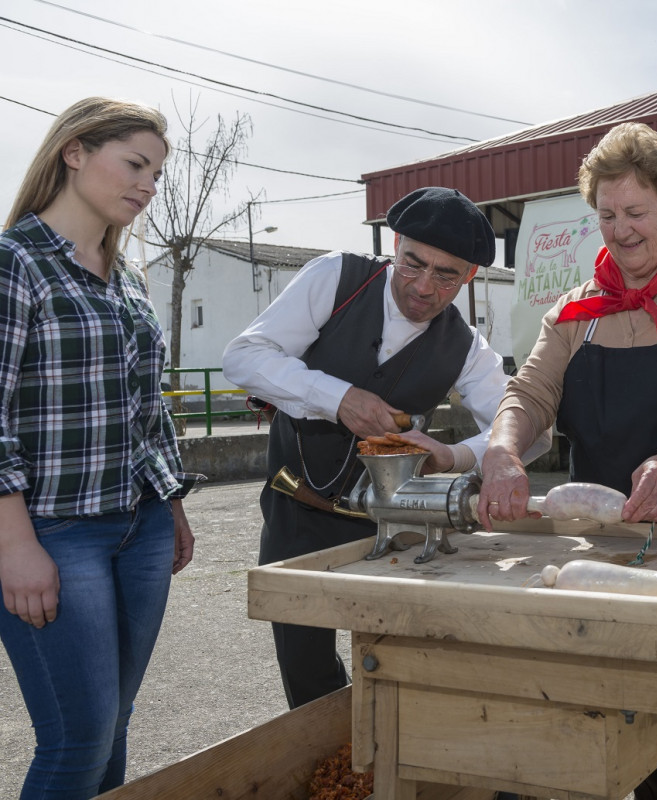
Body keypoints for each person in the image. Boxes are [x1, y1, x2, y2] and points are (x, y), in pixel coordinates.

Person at [477, 122, 657, 800]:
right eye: (606, 215)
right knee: (623, 719)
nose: (621, 230)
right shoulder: (574, 312)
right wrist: (501, 448)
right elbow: (529, 392)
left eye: (635, 212)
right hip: (605, 552)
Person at [222, 186, 548, 710]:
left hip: (393, 524)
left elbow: (529, 429)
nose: (423, 287)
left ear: (469, 277)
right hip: (296, 510)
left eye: (446, 275)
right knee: (305, 673)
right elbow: (243, 357)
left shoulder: (466, 346)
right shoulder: (336, 278)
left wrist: (454, 456)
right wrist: (338, 398)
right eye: (413, 263)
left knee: (394, 661)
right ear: (395, 244)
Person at [0, 97, 199, 799]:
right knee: (77, 739)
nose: (147, 186)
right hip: (55, 533)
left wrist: (171, 502)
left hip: (140, 526)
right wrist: (14, 545)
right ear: (75, 152)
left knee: (113, 725)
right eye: (135, 165)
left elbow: (147, 413)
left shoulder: (131, 280)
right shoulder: (12, 263)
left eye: (156, 174)